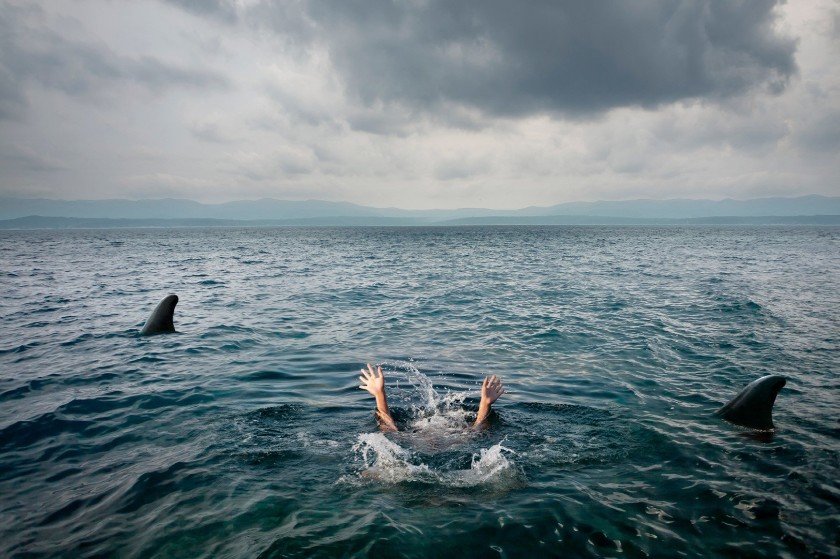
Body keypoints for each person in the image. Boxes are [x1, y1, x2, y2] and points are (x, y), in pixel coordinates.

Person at [358, 364, 505, 431]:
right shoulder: (458, 438)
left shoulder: (411, 438)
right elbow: (478, 427)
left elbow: (388, 427)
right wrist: (485, 404)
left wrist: (379, 394)